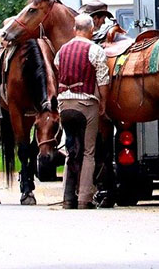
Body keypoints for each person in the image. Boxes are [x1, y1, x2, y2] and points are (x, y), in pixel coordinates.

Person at [55, 13, 111, 209]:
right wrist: (103, 102)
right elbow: (103, 79)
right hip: (86, 105)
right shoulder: (95, 50)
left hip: (64, 106)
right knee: (88, 152)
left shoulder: (62, 50)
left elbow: (57, 69)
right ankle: (84, 198)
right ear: (91, 30)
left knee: (71, 151)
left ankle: (68, 197)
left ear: (74, 30)